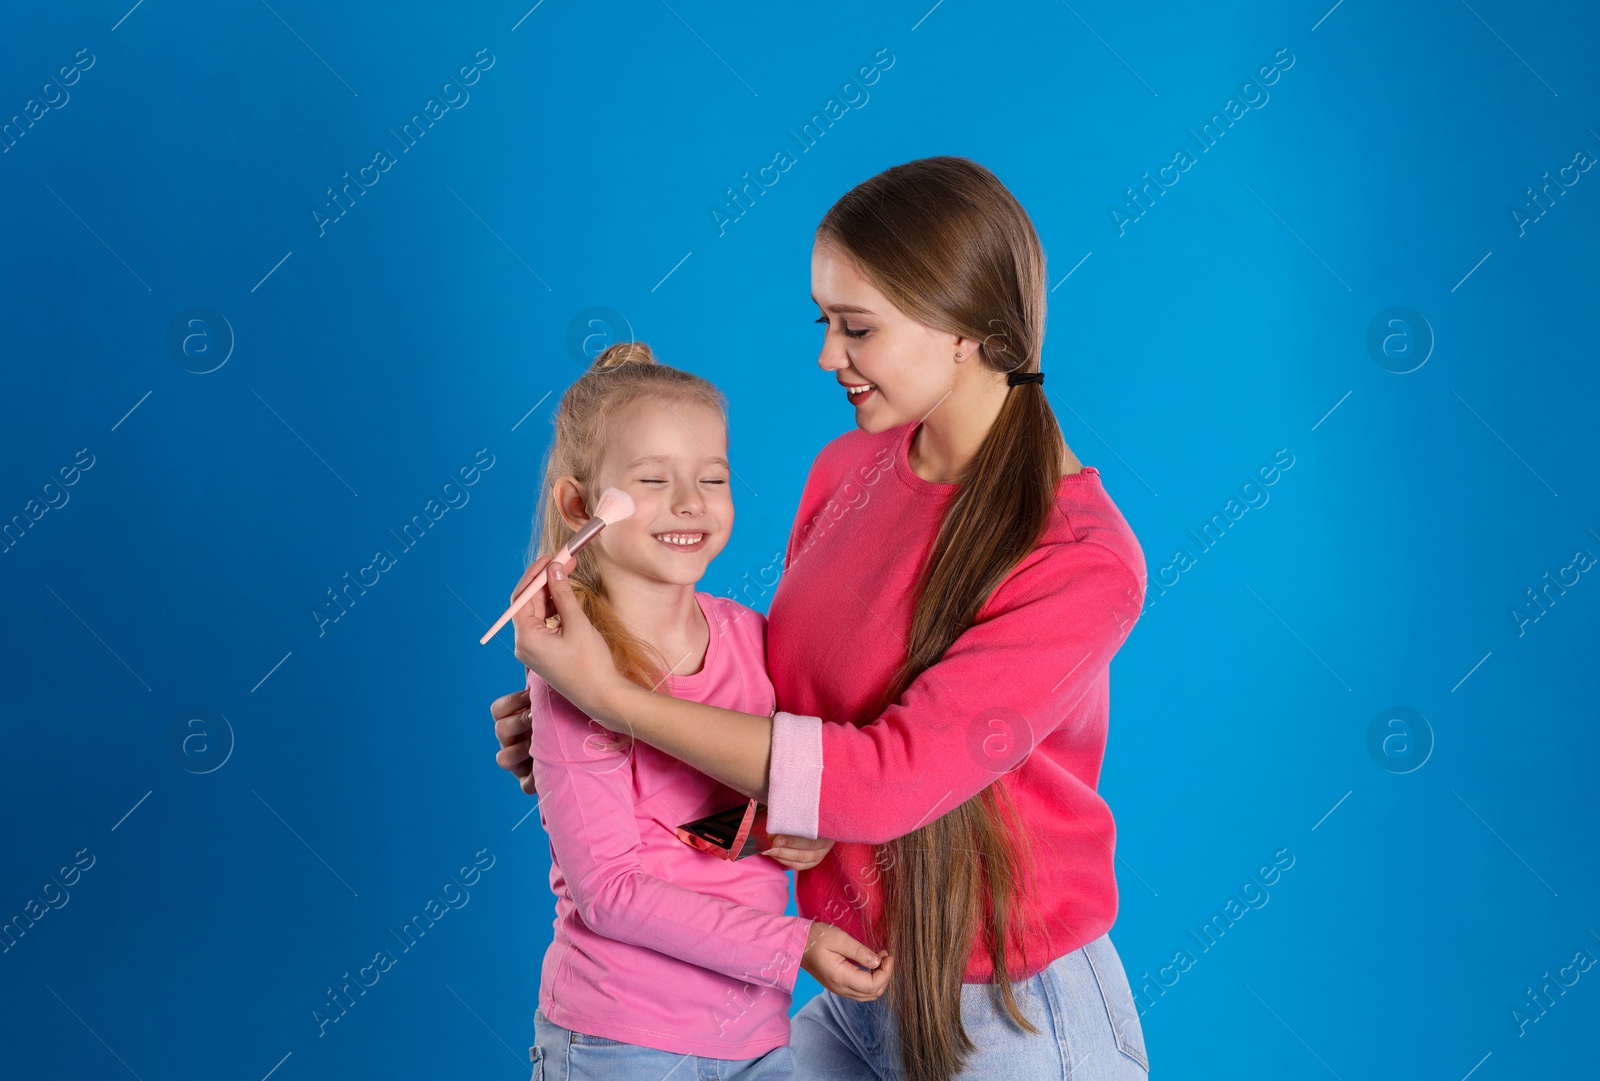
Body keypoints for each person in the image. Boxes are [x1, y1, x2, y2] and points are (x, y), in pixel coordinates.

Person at [495, 156, 1152, 1081]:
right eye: (825, 322)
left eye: (857, 328)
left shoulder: (1079, 556)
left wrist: (614, 700)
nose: (825, 357)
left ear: (964, 330)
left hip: (1012, 1013)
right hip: (854, 996)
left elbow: (884, 779)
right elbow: (785, 721)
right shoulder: (847, 472)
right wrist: (590, 729)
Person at [515, 340, 892, 1081]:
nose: (690, 502)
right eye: (652, 480)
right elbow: (613, 891)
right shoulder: (572, 676)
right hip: (619, 1041)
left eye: (711, 478)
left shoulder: (756, 643)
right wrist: (796, 944)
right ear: (577, 505)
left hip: (754, 1034)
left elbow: (692, 828)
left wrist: (785, 828)